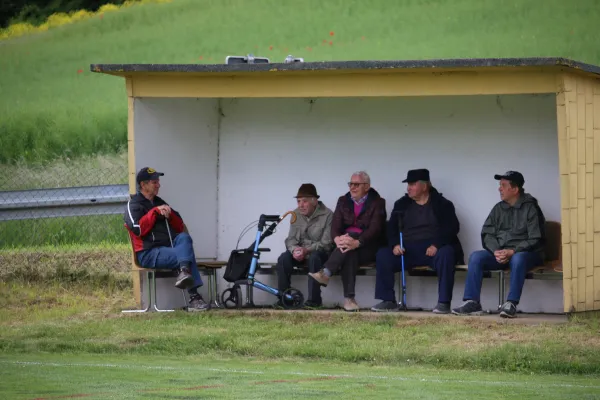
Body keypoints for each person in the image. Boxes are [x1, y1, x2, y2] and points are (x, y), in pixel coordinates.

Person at [452, 171, 545, 318]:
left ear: (515, 189)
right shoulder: (498, 208)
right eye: (499, 185)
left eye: (503, 185)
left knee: (518, 258)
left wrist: (513, 251)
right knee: (476, 257)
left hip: (526, 254)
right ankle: (472, 302)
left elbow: (535, 239)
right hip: (502, 254)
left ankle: (511, 303)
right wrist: (496, 251)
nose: (499, 188)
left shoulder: (530, 208)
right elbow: (487, 233)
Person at [370, 169, 464, 314]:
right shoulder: (401, 204)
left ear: (425, 186)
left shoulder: (443, 204)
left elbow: (452, 228)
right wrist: (395, 244)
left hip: (432, 250)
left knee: (447, 253)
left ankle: (443, 302)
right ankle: (388, 300)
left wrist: (437, 245)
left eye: (412, 184)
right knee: (383, 255)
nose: (408, 188)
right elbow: (391, 229)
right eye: (408, 184)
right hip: (407, 250)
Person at [123, 167, 209, 311]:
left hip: (169, 248)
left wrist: (170, 215)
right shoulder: (133, 205)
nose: (158, 185)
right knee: (185, 255)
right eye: (154, 182)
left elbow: (180, 226)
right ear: (143, 185)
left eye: (158, 181)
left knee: (184, 238)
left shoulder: (159, 201)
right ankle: (194, 297)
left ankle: (184, 272)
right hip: (148, 252)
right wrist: (154, 213)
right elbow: (138, 229)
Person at [309, 171, 387, 312]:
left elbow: (375, 229)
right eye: (350, 184)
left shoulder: (378, 202)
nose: (352, 187)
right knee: (349, 252)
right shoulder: (343, 201)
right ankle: (349, 300)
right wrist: (337, 239)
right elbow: (335, 226)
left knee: (350, 245)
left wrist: (357, 242)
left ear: (367, 187)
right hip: (346, 246)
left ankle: (326, 273)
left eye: (356, 184)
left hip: (367, 245)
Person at [275, 184, 334, 308]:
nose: (300, 205)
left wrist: (307, 250)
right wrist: (294, 250)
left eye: (304, 201)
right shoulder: (295, 214)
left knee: (315, 258)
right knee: (283, 259)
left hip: (319, 253)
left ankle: (314, 301)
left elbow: (327, 244)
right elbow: (290, 240)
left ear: (314, 201)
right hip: (300, 253)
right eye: (298, 201)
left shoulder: (328, 215)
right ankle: (285, 299)